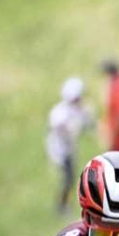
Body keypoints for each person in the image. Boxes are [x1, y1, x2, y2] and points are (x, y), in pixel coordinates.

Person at [47, 77, 95, 213]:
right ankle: (61, 205)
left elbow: (88, 122)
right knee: (68, 178)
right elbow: (60, 128)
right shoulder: (60, 113)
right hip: (61, 151)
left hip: (69, 149)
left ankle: (65, 203)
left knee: (71, 177)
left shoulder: (79, 110)